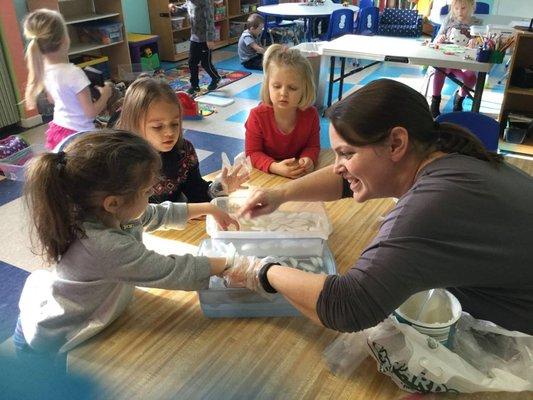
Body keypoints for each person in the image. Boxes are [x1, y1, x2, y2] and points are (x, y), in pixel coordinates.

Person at [225, 78, 533, 336]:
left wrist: (260, 271)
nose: (337, 167)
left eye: (346, 153)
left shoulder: (431, 204)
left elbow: (348, 306)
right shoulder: (446, 154)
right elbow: (347, 180)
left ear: (396, 143)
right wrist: (281, 195)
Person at [14, 130, 249, 355]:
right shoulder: (102, 245)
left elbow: (154, 214)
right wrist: (230, 263)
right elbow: (170, 270)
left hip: (82, 310)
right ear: (113, 203)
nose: (150, 198)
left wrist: (207, 208)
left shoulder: (108, 212)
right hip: (53, 338)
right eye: (147, 192)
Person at [116, 77, 249, 203]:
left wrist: (219, 188)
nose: (169, 133)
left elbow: (196, 193)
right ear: (134, 125)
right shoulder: (120, 162)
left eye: (175, 124)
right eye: (158, 127)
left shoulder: (183, 151)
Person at [22, 9, 112, 150]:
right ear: (64, 40)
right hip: (80, 136)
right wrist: (106, 94)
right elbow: (90, 113)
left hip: (59, 129)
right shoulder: (74, 73)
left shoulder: (44, 69)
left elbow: (52, 99)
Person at [244, 44, 320, 179]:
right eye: (277, 86)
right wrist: (275, 167)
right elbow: (252, 153)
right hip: (264, 176)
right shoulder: (257, 116)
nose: (283, 93)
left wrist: (308, 159)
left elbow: (313, 146)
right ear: (267, 86)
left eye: (292, 88)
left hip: (297, 175)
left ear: (305, 89)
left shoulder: (311, 115)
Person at [430, 0, 477, 118]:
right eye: (456, 8)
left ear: (472, 7)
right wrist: (440, 38)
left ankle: (459, 99)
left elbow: (481, 43)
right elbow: (436, 40)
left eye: (463, 8)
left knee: (471, 79)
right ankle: (435, 102)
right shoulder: (448, 20)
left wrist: (475, 42)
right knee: (439, 69)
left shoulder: (476, 23)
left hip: (463, 62)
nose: (459, 12)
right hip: (447, 59)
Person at [168, 1, 221, 95]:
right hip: (194, 37)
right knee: (192, 62)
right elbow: (185, 8)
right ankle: (194, 85)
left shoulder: (205, 2)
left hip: (205, 39)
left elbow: (210, 20)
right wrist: (175, 8)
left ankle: (215, 77)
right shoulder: (190, 1)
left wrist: (210, 38)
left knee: (206, 63)